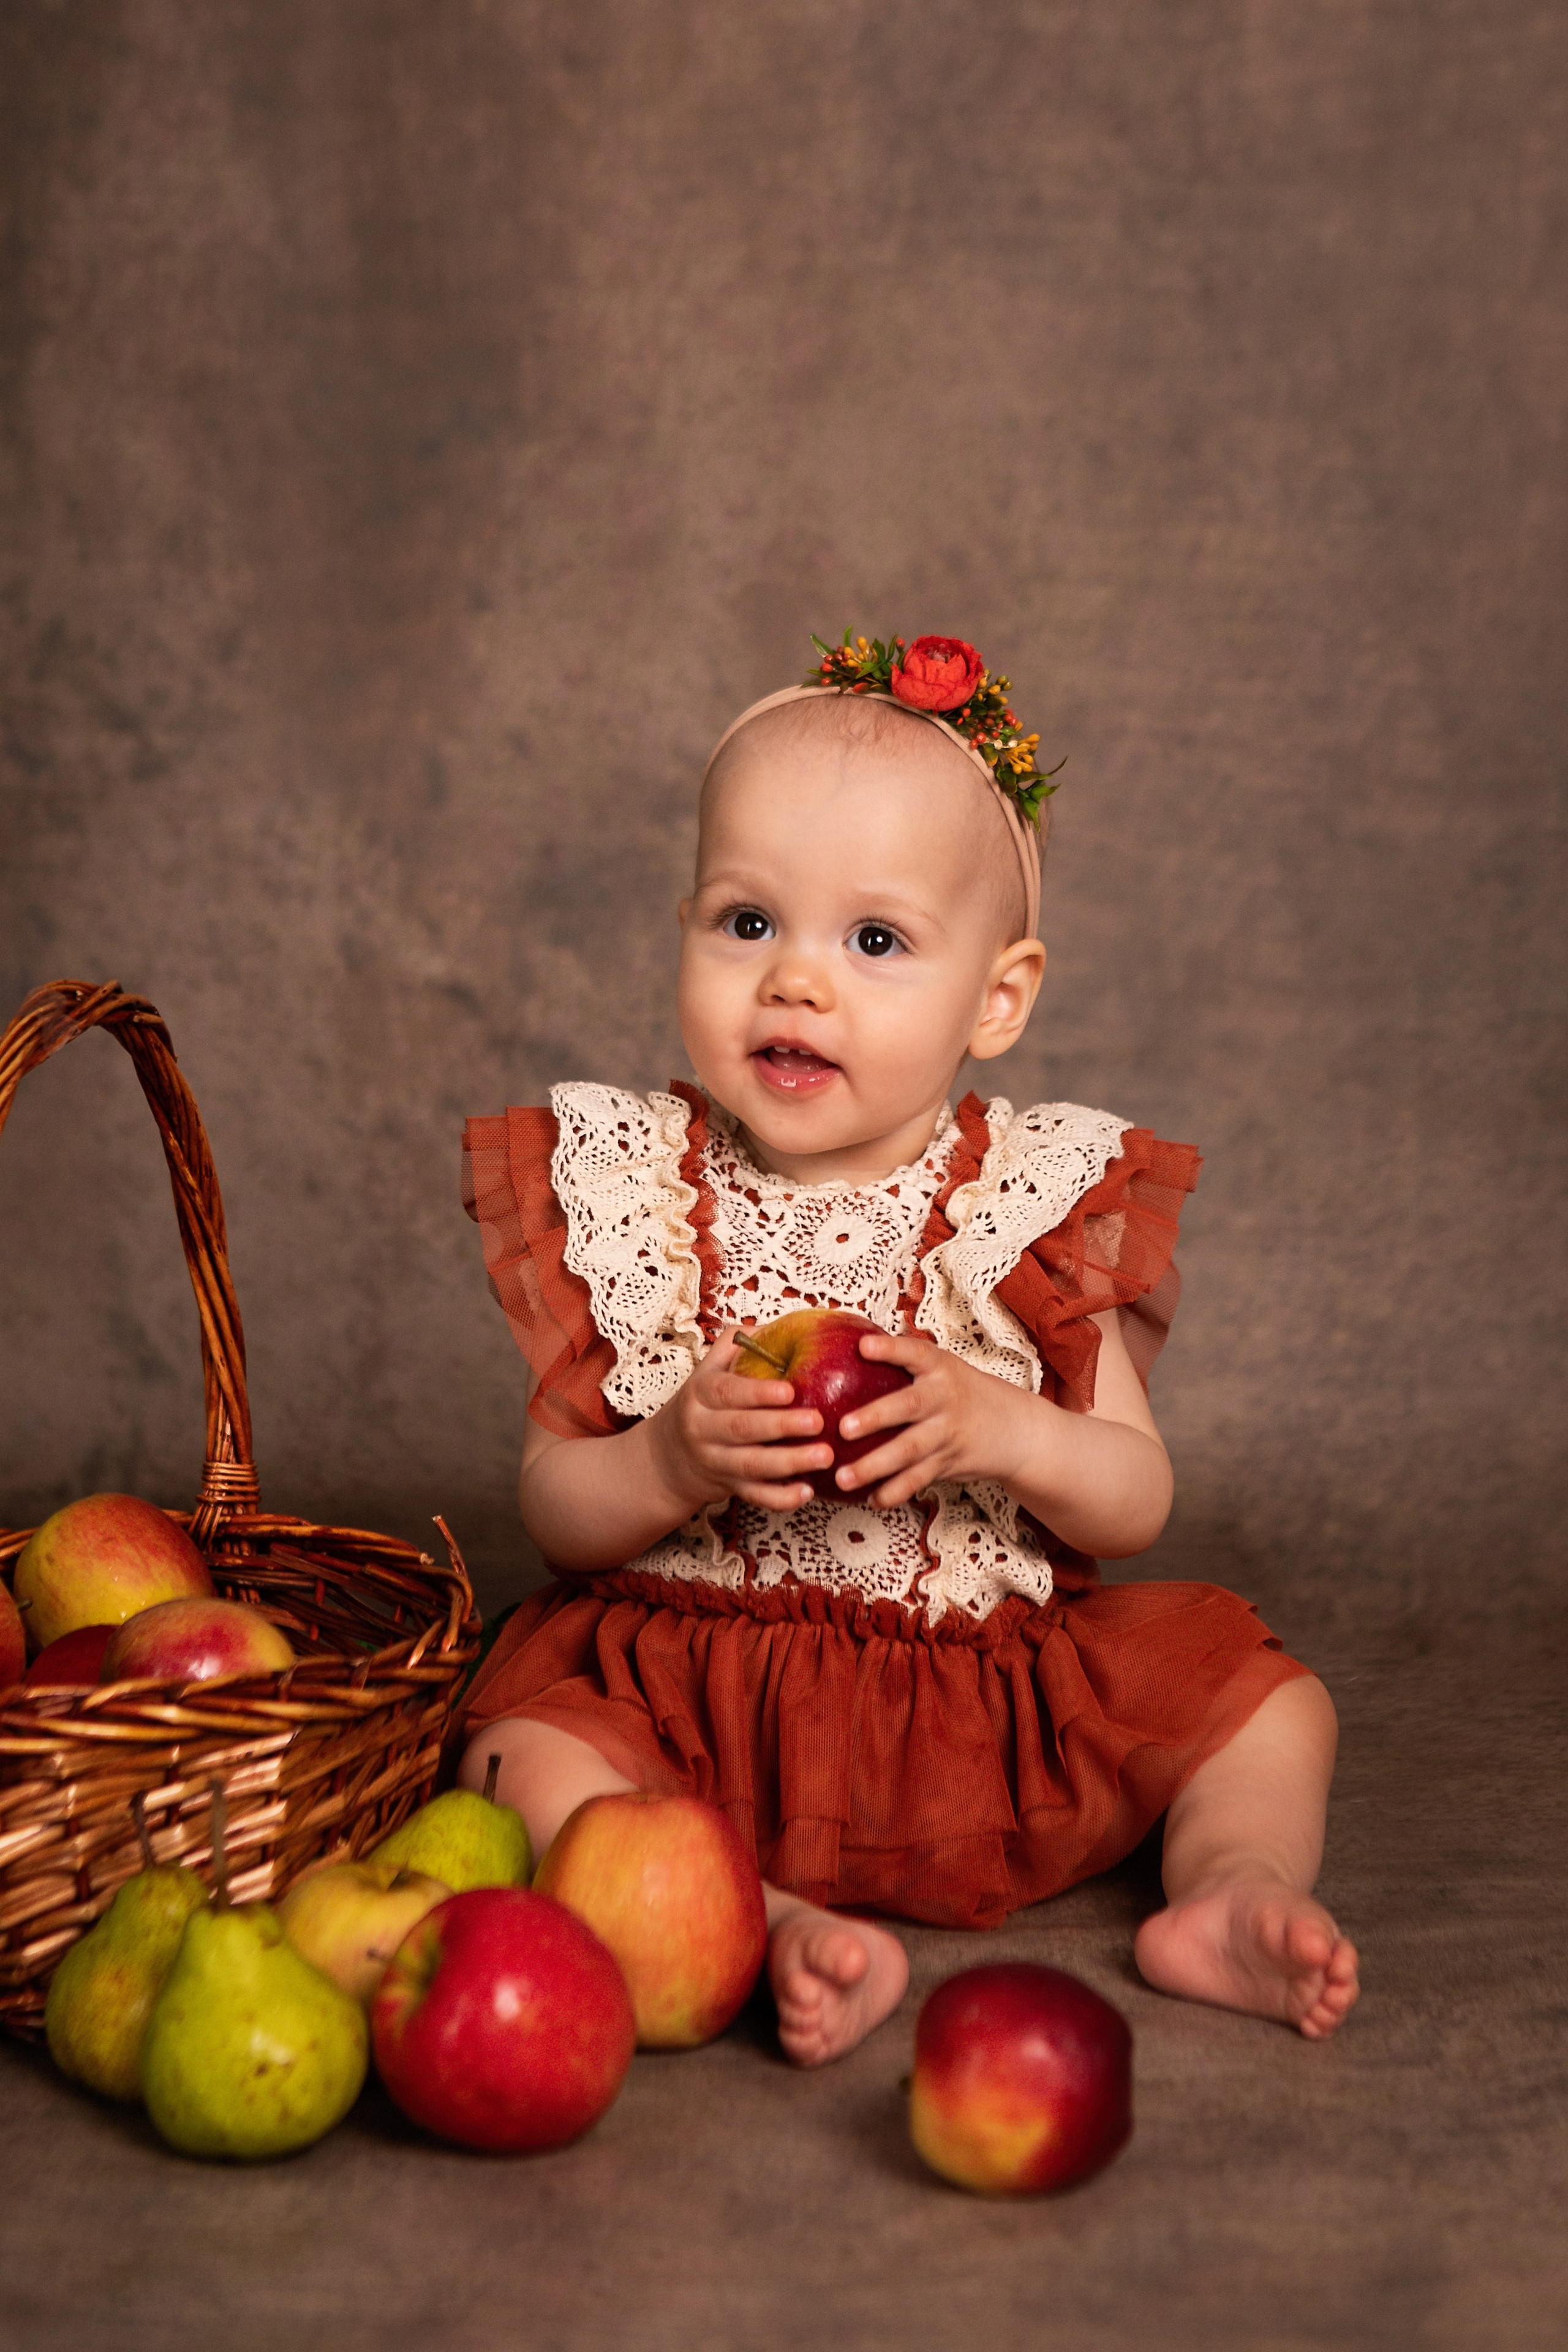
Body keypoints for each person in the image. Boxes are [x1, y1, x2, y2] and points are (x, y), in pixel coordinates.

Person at [456, 631, 1360, 2065]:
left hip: (975, 1694)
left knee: (1264, 1703)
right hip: (693, 1692)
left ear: (995, 1000)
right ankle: (758, 1925)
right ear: (683, 924)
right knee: (522, 1754)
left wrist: (1004, 1429)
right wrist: (671, 1455)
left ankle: (1232, 1893)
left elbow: (1133, 1496)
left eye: (872, 942)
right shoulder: (632, 1189)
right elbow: (556, 1509)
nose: (796, 984)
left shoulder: (1029, 1206)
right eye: (747, 923)